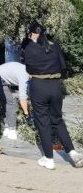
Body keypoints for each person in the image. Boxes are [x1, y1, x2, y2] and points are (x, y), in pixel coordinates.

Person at [24, 21, 83, 169]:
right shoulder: (55, 46)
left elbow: (29, 68)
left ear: (33, 33)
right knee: (57, 120)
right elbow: (63, 67)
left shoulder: (30, 48)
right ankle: (72, 153)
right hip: (56, 86)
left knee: (43, 122)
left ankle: (48, 158)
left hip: (39, 86)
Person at [0, 62, 30, 140]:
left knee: (6, 102)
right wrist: (26, 113)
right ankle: (12, 131)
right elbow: (22, 97)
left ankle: (7, 128)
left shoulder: (25, 69)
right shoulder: (24, 76)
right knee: (11, 103)